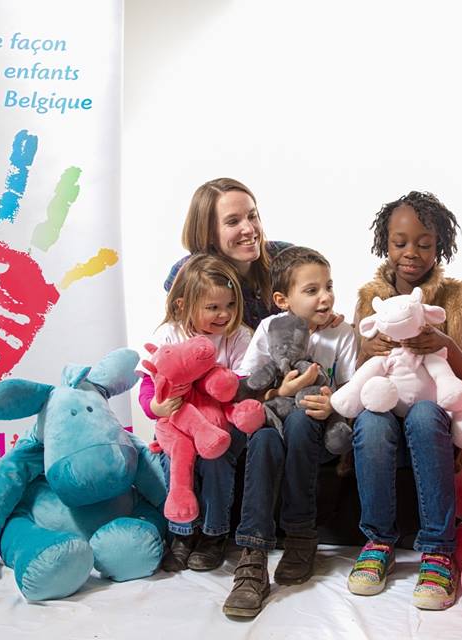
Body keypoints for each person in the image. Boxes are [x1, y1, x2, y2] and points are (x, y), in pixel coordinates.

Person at [347, 191, 462, 611]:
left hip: (436, 414)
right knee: (371, 422)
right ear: (385, 244)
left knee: (426, 414)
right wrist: (366, 351)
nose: (411, 253)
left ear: (440, 245)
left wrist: (448, 346)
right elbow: (354, 377)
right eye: (400, 242)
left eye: (424, 244)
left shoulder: (458, 300)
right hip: (384, 407)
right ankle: (378, 542)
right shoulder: (369, 300)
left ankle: (438, 550)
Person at [222, 246, 358, 618]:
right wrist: (280, 391)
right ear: (283, 300)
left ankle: (300, 535)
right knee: (263, 436)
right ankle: (253, 556)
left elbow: (352, 388)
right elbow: (247, 387)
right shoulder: (269, 328)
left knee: (300, 419)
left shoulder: (341, 333)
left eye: (329, 286)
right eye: (312, 290)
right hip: (275, 425)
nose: (325, 297)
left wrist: (333, 405)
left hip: (317, 434)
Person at [138, 253, 250, 572]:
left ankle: (214, 533)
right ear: (182, 305)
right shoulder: (169, 335)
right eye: (213, 307)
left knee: (216, 459)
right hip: (178, 423)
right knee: (175, 461)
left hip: (221, 423)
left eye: (230, 305)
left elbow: (242, 386)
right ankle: (182, 533)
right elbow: (148, 384)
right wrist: (156, 407)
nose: (224, 314)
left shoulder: (238, 336)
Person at [163, 177, 292, 330]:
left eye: (252, 216)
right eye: (233, 222)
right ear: (208, 232)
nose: (249, 229)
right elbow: (180, 337)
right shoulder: (190, 274)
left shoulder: (286, 257)